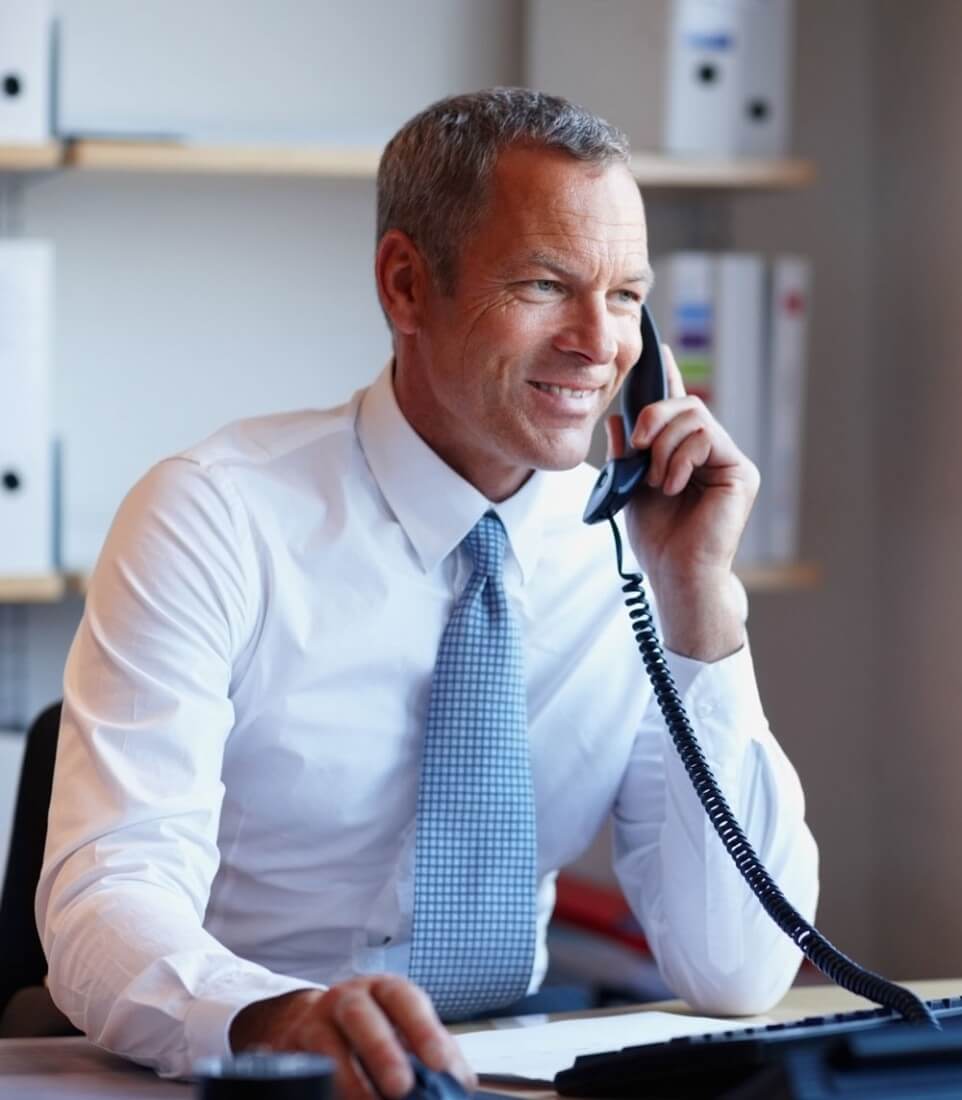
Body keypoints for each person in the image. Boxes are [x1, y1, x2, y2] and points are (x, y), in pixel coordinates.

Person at [37, 88, 818, 1097]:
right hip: (249, 1066)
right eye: (545, 284)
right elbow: (108, 894)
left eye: (625, 296)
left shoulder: (632, 553)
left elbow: (740, 967)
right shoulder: (216, 517)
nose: (598, 342)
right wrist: (281, 1018)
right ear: (406, 286)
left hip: (507, 1071)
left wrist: (698, 602)